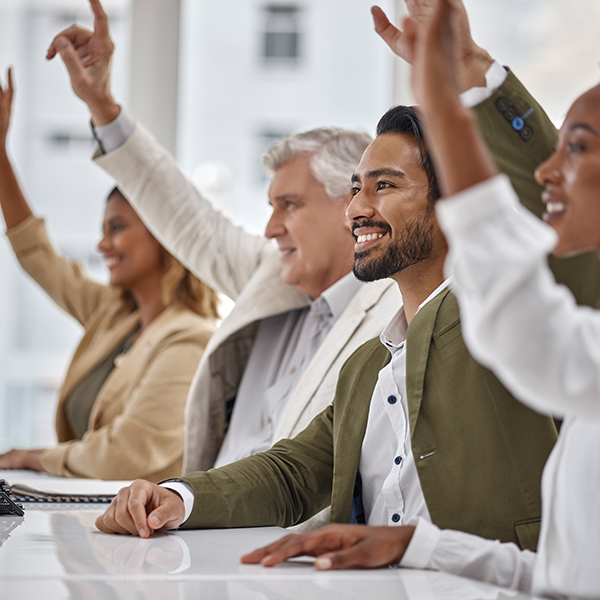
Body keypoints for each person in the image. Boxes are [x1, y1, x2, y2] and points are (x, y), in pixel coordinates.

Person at [86, 4, 600, 546]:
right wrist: (177, 498)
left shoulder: (510, 322)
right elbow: (291, 473)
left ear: (456, 201)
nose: (356, 208)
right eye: (356, 188)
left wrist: (472, 69)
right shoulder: (367, 368)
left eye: (385, 185)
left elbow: (555, 200)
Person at [239, 2, 600, 598]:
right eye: (357, 188)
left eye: (579, 149)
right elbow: (566, 580)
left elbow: (524, 309)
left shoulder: (521, 321)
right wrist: (416, 545)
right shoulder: (370, 366)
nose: (548, 174)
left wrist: (460, 90)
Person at [46, 0, 401, 479]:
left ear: (350, 203)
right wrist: (103, 108)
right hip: (196, 528)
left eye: (289, 205)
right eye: (271, 206)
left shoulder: (395, 313)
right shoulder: (272, 275)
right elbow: (189, 219)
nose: (271, 228)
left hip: (279, 547)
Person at [0, 69, 218, 482]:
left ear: (163, 236)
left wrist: (33, 457)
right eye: (102, 230)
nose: (103, 246)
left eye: (117, 228)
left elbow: (125, 455)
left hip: (142, 539)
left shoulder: (191, 338)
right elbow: (37, 255)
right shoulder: (115, 315)